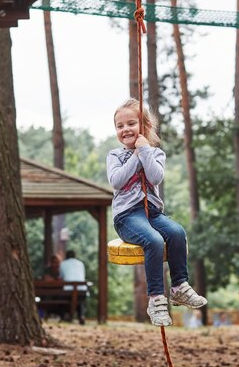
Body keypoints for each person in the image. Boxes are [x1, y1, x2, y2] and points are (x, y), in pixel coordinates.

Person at [106, 98, 207, 327]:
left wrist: (144, 151)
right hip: (127, 217)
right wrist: (136, 155)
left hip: (151, 213)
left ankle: (179, 286)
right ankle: (156, 299)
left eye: (131, 124)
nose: (125, 130)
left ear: (145, 127)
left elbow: (155, 177)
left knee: (177, 232)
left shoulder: (156, 154)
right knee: (153, 240)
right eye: (119, 126)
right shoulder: (114, 156)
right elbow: (117, 181)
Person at [60, 250, 87, 324]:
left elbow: (61, 277)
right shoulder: (80, 264)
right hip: (81, 289)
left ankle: (66, 315)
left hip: (68, 290)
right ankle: (81, 315)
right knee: (80, 300)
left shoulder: (63, 264)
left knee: (65, 299)